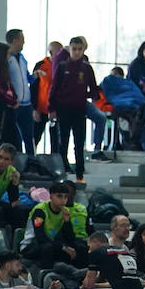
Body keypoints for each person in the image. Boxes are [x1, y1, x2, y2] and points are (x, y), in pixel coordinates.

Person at [48, 36, 99, 183]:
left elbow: (94, 89)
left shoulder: (87, 68)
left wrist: (87, 95)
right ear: (69, 49)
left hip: (79, 110)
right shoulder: (62, 67)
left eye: (79, 49)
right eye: (74, 49)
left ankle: (80, 174)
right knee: (63, 141)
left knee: (79, 142)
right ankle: (62, 171)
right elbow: (54, 88)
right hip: (63, 109)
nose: (76, 52)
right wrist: (51, 109)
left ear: (83, 50)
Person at [20, 181, 88, 270]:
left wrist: (67, 221)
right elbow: (41, 238)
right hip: (31, 245)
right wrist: (63, 247)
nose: (63, 200)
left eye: (65, 197)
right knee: (48, 248)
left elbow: (70, 238)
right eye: (59, 196)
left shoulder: (65, 211)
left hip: (52, 244)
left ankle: (78, 277)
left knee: (80, 247)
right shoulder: (40, 210)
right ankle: (46, 276)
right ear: (51, 196)